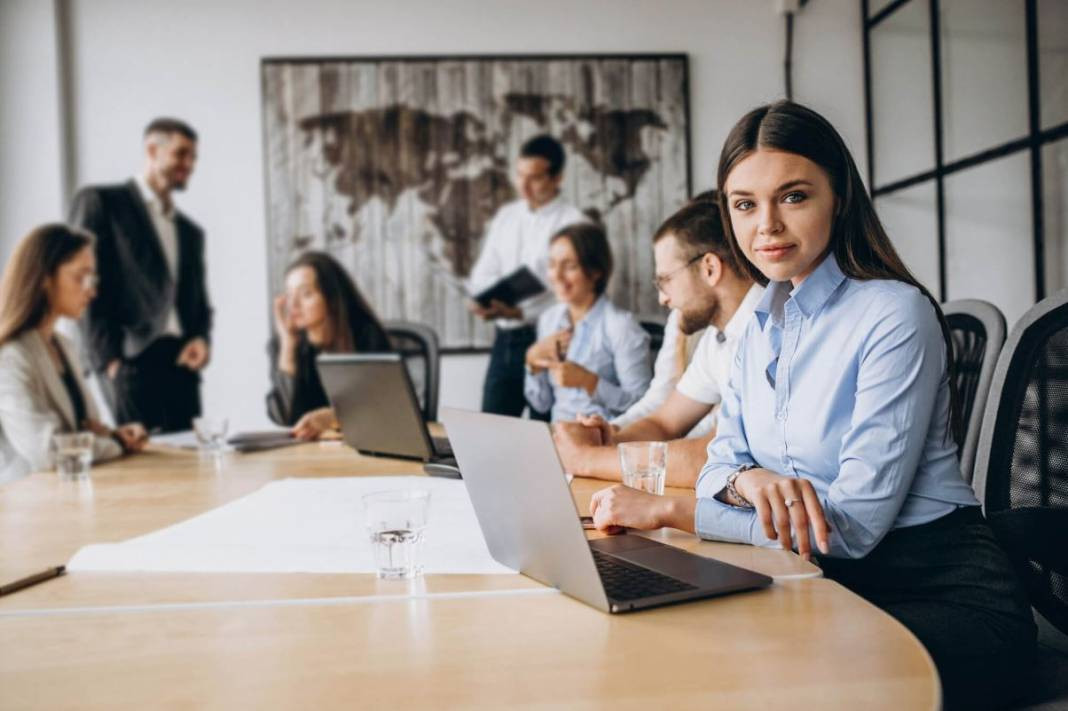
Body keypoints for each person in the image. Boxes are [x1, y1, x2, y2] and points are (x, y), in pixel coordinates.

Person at [586, 101, 1035, 710]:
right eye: (744, 204)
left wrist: (669, 509)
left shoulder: (893, 314)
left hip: (942, 598)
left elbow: (848, 529)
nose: (765, 225)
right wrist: (750, 480)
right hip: (827, 587)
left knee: (757, 681)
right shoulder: (753, 330)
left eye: (793, 196)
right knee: (666, 646)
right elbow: (721, 465)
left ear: (839, 198)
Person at [552, 198, 762, 487]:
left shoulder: (768, 332)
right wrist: (609, 439)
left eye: (665, 280)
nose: (663, 299)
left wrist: (586, 458)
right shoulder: (718, 340)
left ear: (710, 268)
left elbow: (719, 459)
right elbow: (664, 422)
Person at [68, 117, 213, 433]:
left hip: (182, 366)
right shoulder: (102, 203)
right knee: (139, 468)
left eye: (193, 157)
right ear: (152, 149)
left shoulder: (190, 232)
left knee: (189, 469)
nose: (189, 164)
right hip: (129, 361)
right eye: (181, 153)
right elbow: (79, 281)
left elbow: (199, 300)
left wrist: (201, 337)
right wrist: (108, 362)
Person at [0, 225, 148, 483]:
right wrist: (115, 444)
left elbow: (87, 429)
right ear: (44, 279)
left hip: (74, 493)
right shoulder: (10, 357)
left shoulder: (63, 345)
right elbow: (48, 452)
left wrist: (111, 435)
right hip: (29, 507)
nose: (91, 291)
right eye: (81, 277)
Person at [468, 134, 586, 418]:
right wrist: (487, 303)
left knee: (544, 432)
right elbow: (482, 273)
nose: (523, 185)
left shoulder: (574, 222)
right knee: (491, 428)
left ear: (557, 178)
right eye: (520, 175)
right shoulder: (506, 217)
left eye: (534, 178)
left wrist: (520, 311)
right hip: (504, 340)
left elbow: (574, 292)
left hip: (550, 338)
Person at [524, 223, 651, 422]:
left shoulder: (621, 327)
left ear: (595, 271)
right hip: (557, 438)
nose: (556, 275)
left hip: (602, 441)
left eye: (569, 266)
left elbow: (643, 407)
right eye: (552, 264)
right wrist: (532, 364)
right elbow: (542, 403)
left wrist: (589, 382)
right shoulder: (549, 320)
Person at [267, 251, 392, 440]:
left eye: (306, 294)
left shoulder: (366, 335)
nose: (294, 304)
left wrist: (334, 417)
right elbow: (284, 419)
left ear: (331, 297)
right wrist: (287, 345)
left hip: (364, 451)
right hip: (310, 458)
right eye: (290, 295)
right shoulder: (289, 345)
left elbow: (386, 408)